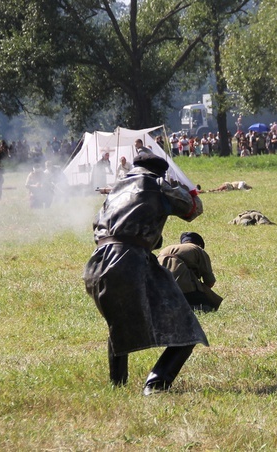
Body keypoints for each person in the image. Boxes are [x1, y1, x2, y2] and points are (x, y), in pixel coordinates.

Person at [83, 152, 206, 395]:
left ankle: (117, 386)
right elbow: (193, 210)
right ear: (159, 172)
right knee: (188, 329)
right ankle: (156, 385)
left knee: (119, 325)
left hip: (96, 265)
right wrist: (182, 189)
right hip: (128, 262)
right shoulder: (158, 185)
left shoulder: (116, 189)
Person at [158, 232, 223, 312]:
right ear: (199, 244)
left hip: (159, 291)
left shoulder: (165, 249)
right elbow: (210, 281)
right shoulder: (197, 249)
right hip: (184, 291)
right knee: (208, 307)